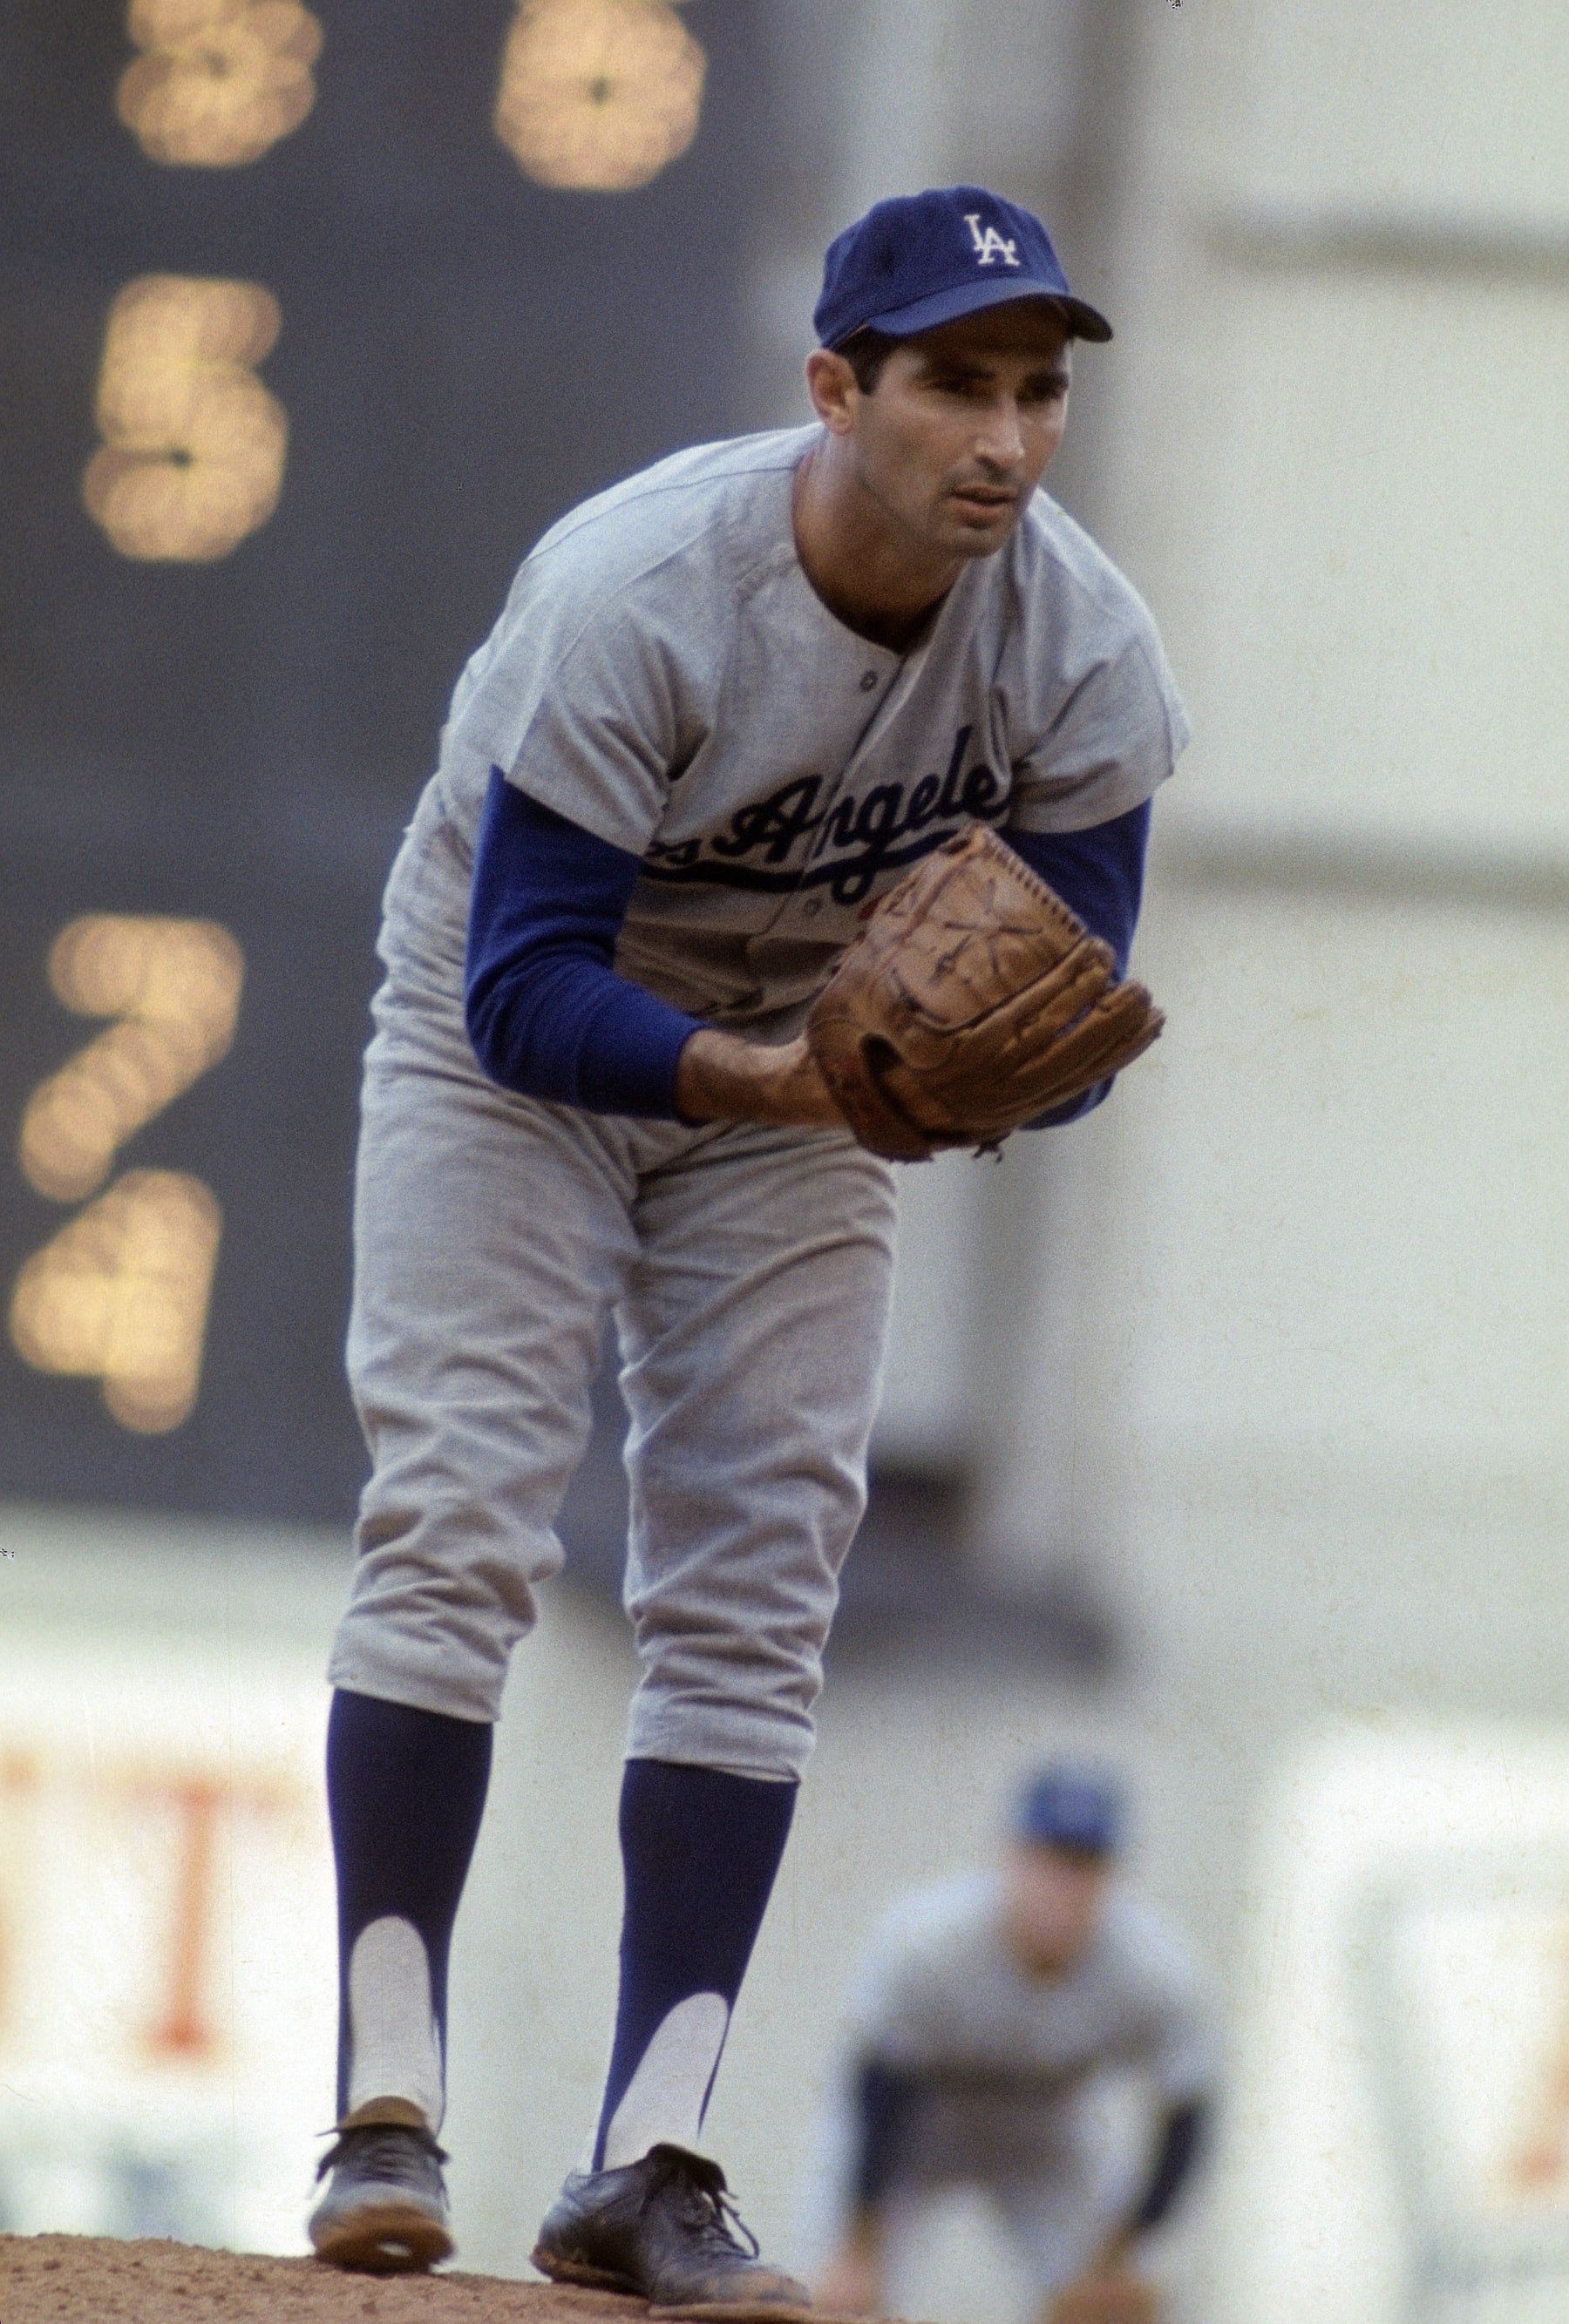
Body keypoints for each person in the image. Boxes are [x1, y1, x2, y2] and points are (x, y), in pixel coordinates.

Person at [306, 183, 1190, 2305]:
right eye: (955, 384)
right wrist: (800, 1077)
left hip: (803, 1079)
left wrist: (974, 1071)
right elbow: (523, 989)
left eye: (1038, 391)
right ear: (835, 387)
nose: (1003, 434)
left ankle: (650, 2161)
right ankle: (381, 2119)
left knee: (760, 1576)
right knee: (457, 1519)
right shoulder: (641, 592)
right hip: (511, 1046)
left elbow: (1071, 1027)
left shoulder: (1083, 652)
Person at [812, 1767, 1216, 2323]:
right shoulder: (928, 1938)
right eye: (1047, 1860)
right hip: (919, 2124)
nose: (1061, 1886)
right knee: (825, 2300)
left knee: (1118, 2304)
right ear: (1011, 1857)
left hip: (1045, 2132)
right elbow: (880, 2090)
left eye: (1082, 1867)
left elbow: (1187, 2114)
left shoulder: (1150, 1968)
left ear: (1109, 1878)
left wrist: (1121, 2251)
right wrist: (859, 2245)